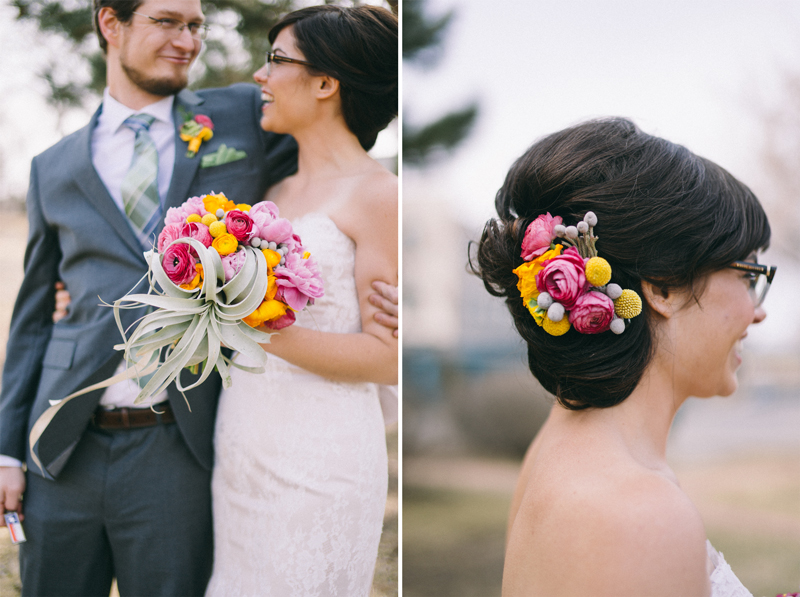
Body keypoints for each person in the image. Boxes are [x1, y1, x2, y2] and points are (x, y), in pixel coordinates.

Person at [0, 1, 396, 595]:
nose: (187, 40)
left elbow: (339, 165)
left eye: (195, 25)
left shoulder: (245, 116)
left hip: (181, 441)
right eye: (166, 21)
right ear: (111, 23)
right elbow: (31, 316)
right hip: (67, 436)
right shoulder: (51, 168)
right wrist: (7, 450)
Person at [472, 118, 772, 596]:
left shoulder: (559, 443)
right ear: (664, 286)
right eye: (748, 274)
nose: (757, 313)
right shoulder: (640, 514)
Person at [203, 6, 397, 596]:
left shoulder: (379, 195)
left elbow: (389, 358)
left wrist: (246, 322)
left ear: (325, 82)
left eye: (276, 60)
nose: (260, 77)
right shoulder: (267, 193)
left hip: (322, 461)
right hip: (240, 446)